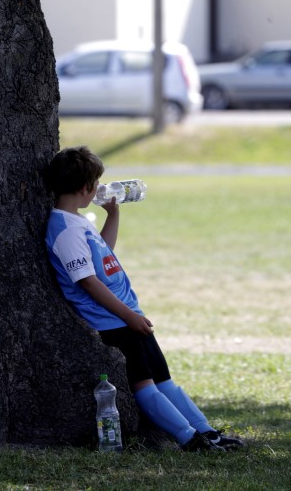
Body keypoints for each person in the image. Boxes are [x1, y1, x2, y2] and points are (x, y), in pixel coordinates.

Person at [44, 146, 244, 452]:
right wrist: (129, 318)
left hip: (127, 315)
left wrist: (113, 215)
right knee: (144, 385)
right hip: (113, 322)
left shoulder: (79, 222)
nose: (98, 189)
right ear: (86, 188)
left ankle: (207, 431)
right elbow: (88, 282)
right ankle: (189, 439)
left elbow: (104, 254)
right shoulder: (64, 231)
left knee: (164, 380)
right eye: (96, 184)